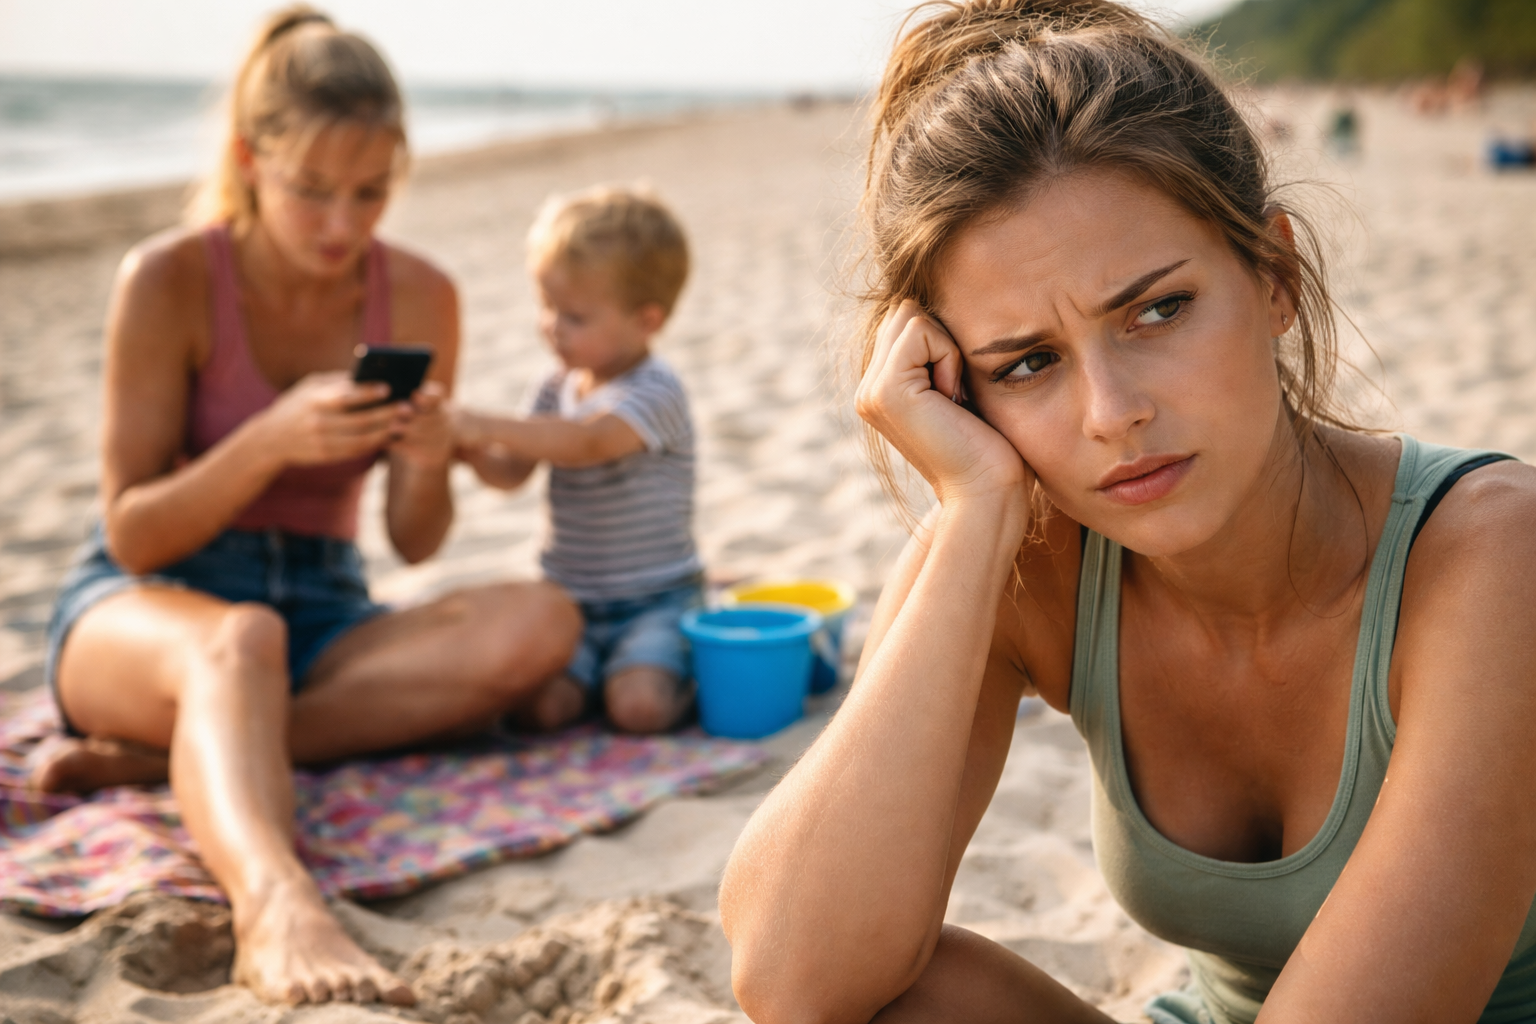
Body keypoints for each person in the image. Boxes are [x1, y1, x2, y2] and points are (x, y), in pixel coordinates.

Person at [719, 2, 1536, 1023]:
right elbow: (793, 977)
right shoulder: (1031, 558)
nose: (1114, 414)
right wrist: (973, 517)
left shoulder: (1495, 554)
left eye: (1157, 310)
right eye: (1027, 363)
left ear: (1274, 275)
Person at [32, 6, 581, 1007]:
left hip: (325, 608)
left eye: (371, 193)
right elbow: (131, 527)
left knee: (543, 620)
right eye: (312, 191)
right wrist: (266, 442)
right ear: (250, 159)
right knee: (237, 641)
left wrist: (426, 456)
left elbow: (416, 543)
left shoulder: (421, 294)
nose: (343, 224)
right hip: (146, 601)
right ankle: (276, 897)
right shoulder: (166, 279)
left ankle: (178, 757)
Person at [455, 185, 699, 736]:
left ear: (646, 321)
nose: (551, 326)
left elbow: (587, 442)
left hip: (654, 599)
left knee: (640, 710)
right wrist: (466, 449)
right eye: (546, 307)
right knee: (543, 711)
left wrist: (481, 422)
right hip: (570, 602)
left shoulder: (656, 391)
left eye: (574, 316)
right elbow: (510, 471)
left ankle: (688, 675)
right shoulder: (554, 386)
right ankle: (601, 678)